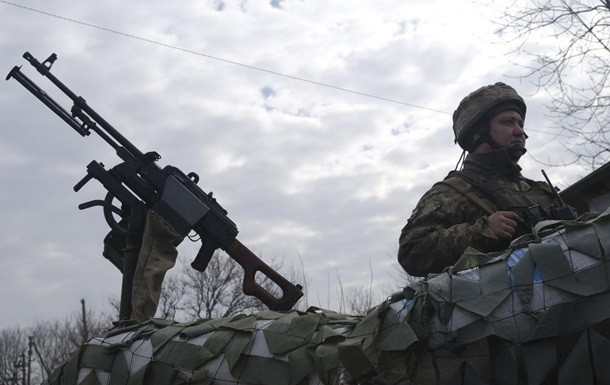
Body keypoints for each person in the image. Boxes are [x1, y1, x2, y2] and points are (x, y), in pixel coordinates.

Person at [398, 82, 559, 277]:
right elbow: (412, 252)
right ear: (477, 133)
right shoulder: (451, 193)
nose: (520, 132)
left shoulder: (540, 190)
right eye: (508, 122)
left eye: (520, 124)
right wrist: (483, 231)